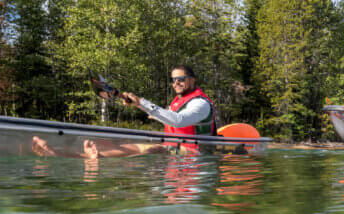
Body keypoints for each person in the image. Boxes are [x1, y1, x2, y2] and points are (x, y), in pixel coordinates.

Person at [31, 65, 216, 159]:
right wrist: (137, 105)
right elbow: (165, 117)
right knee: (129, 147)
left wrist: (142, 102)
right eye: (173, 80)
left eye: (181, 79)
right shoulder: (178, 101)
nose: (176, 83)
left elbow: (178, 120)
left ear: (192, 80)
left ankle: (89, 157)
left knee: (153, 149)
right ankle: (63, 153)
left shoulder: (200, 103)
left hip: (194, 155)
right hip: (174, 149)